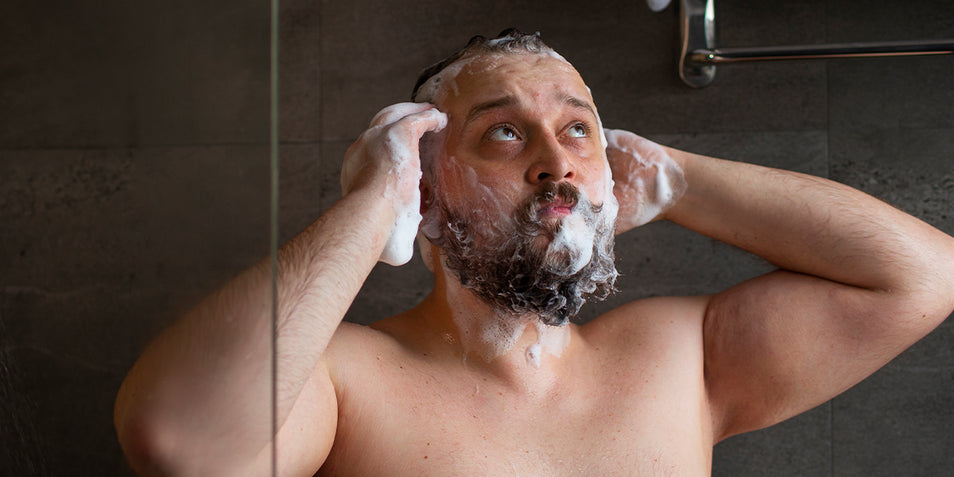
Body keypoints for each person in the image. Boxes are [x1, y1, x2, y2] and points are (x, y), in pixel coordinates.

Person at [114, 30, 954, 476]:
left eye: (578, 129)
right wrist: (374, 206)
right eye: (506, 131)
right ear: (428, 187)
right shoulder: (343, 381)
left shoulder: (679, 362)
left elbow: (924, 276)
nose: (556, 160)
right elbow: (183, 446)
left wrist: (679, 181)